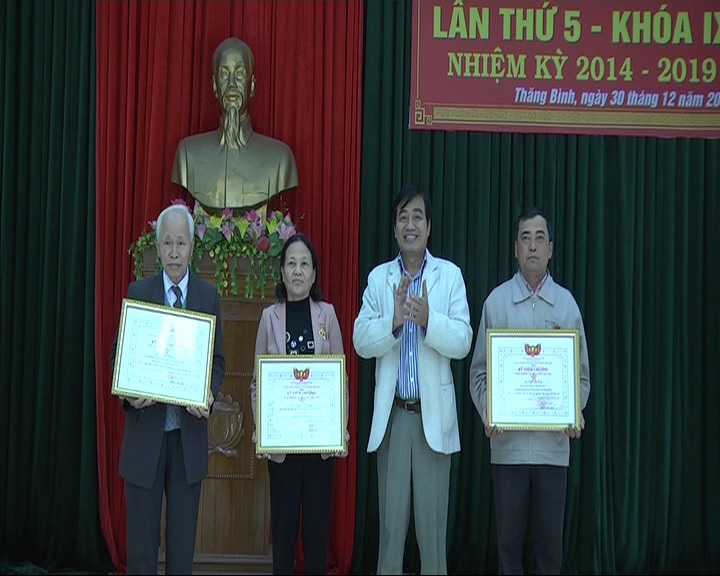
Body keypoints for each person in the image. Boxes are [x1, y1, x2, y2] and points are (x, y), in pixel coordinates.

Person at [353, 184, 473, 575]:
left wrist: (428, 321)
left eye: (417, 217)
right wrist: (392, 321)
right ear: (394, 229)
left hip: (432, 417)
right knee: (391, 530)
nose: (410, 225)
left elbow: (463, 340)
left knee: (432, 533)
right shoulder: (379, 279)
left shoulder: (449, 276)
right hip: (393, 418)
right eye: (403, 217)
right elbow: (360, 340)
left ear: (429, 226)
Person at [468, 206, 591, 575]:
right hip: (508, 450)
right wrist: (488, 410)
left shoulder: (566, 305)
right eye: (526, 238)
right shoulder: (496, 303)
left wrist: (574, 409)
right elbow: (479, 373)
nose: (533, 246)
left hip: (554, 450)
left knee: (549, 551)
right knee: (508, 549)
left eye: (540, 238)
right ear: (515, 249)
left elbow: (581, 377)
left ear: (551, 249)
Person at [110, 203, 225, 575]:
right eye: (167, 243)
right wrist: (129, 392)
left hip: (187, 440)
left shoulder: (208, 297)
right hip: (146, 437)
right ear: (157, 247)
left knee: (181, 554)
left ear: (192, 246)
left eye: (181, 243)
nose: (174, 252)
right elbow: (119, 355)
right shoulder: (139, 291)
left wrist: (208, 392)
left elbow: (218, 361)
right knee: (141, 552)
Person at [249, 233, 349, 575]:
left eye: (305, 264)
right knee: (284, 530)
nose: (297, 270)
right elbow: (257, 382)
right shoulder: (269, 317)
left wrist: (341, 429)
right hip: (283, 446)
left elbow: (339, 380)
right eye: (291, 263)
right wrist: (262, 428)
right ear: (281, 271)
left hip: (320, 445)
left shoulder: (327, 315)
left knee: (316, 535)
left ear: (314, 273)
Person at [171, 36, 298, 214]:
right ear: (215, 85)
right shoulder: (187, 154)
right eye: (224, 74)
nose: (231, 84)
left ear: (251, 85)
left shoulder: (280, 159)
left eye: (239, 73)